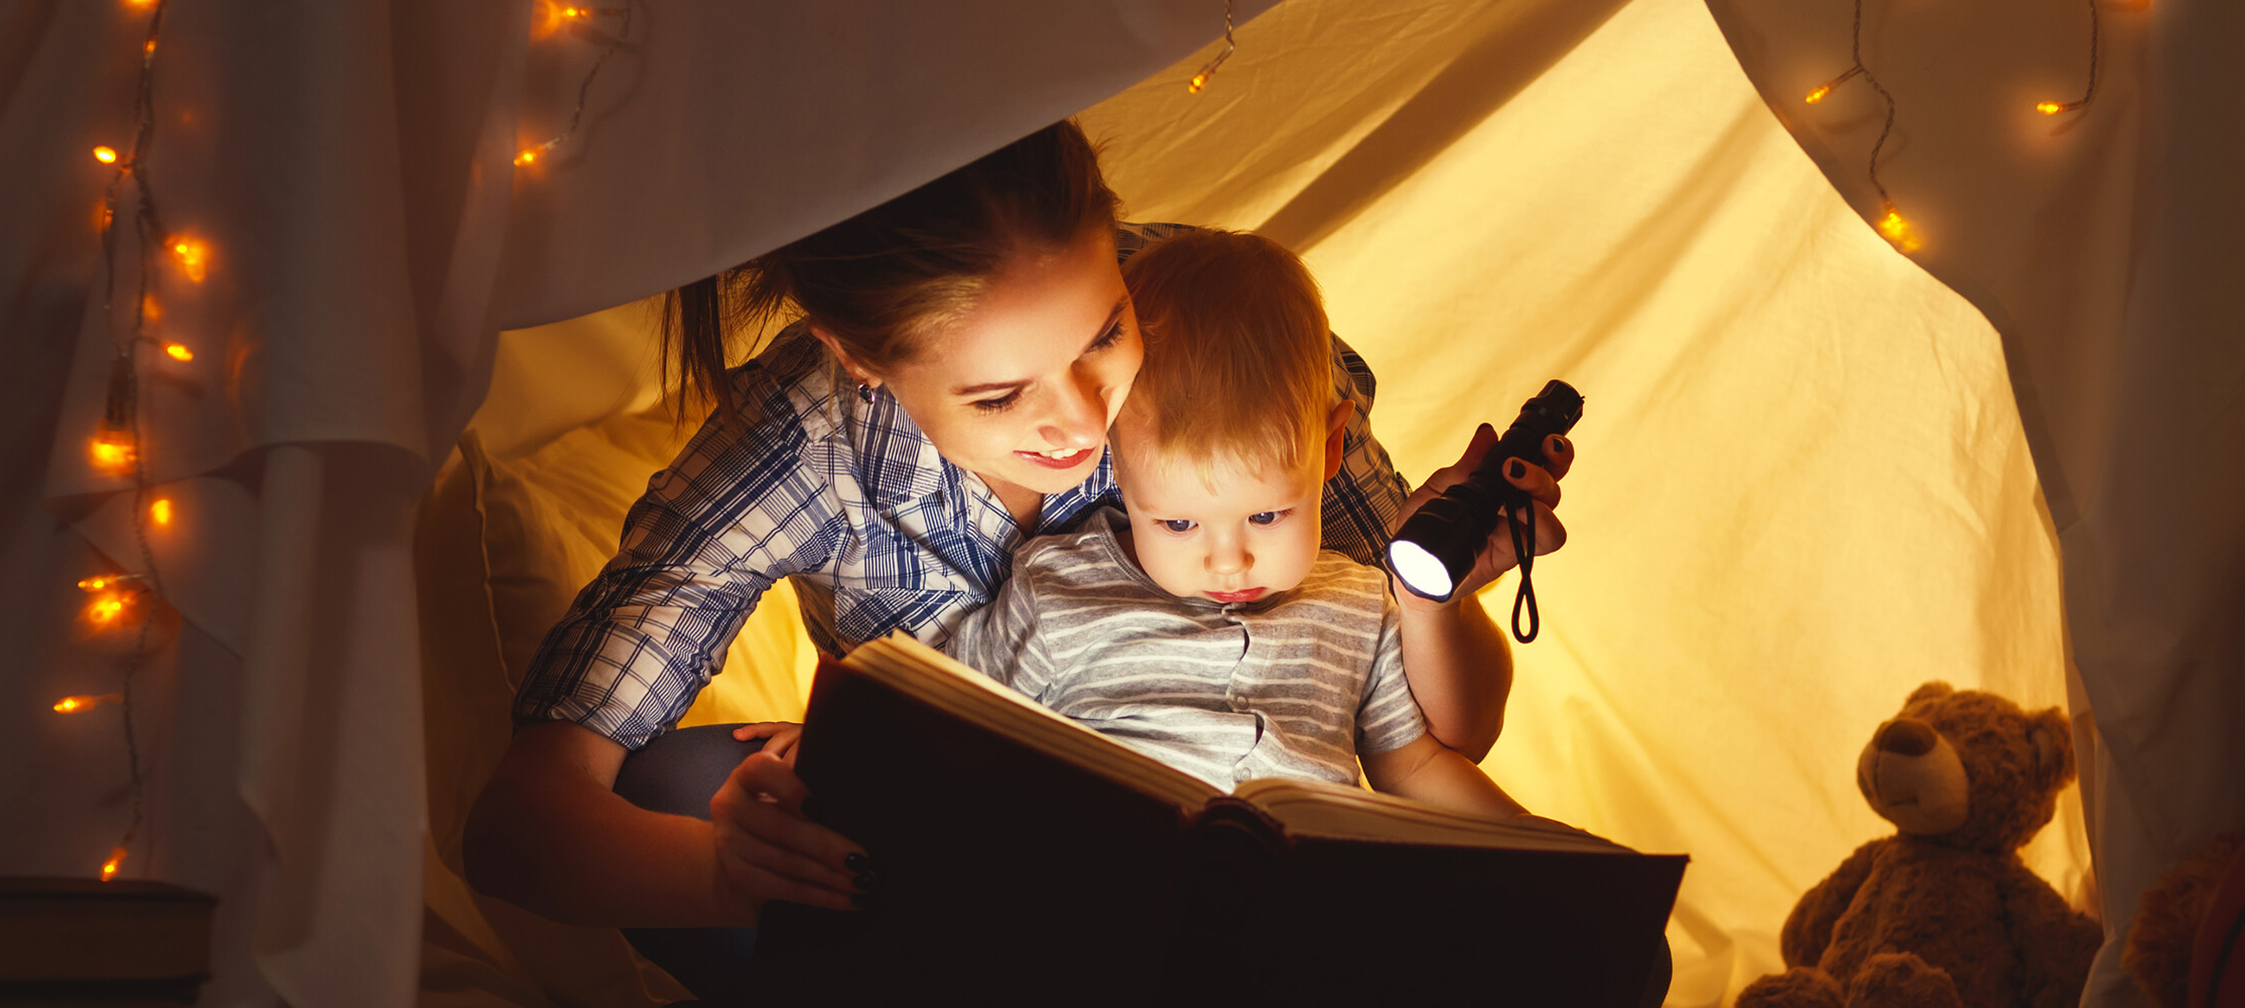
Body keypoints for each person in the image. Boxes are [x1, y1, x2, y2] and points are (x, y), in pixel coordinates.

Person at [461, 121, 1572, 994]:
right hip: (967, 894)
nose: (1081, 421)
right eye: (997, 395)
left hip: (1235, 875)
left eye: (1102, 337)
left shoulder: (1222, 333)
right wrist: (740, 865)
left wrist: (1451, 581)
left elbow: (1428, 718)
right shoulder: (797, 445)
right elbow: (520, 825)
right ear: (858, 358)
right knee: (686, 785)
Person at [939, 229, 1529, 816]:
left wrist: (1560, 852)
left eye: (1266, 514)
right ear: (1116, 463)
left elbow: (1415, 765)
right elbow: (943, 735)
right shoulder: (1056, 592)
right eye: (1176, 524)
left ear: (1329, 451)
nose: (1228, 561)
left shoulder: (1362, 604)